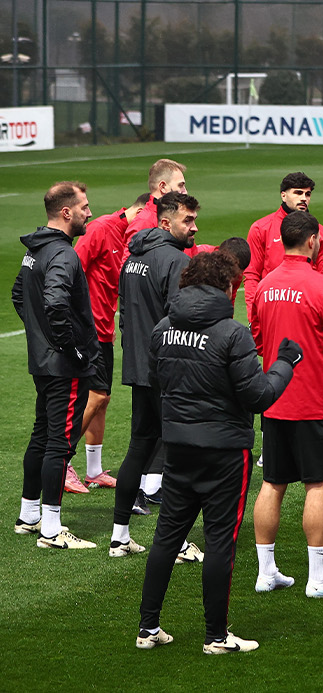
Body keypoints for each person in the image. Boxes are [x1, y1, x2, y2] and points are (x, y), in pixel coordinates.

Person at [136, 250, 301, 654]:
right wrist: (284, 363)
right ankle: (216, 636)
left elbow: (159, 380)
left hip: (177, 446)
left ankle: (147, 628)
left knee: (166, 539)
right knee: (220, 542)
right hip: (225, 451)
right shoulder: (232, 332)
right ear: (228, 286)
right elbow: (259, 395)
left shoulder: (163, 327)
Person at [250, 211, 323, 598]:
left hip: (274, 398)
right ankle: (317, 578)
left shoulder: (264, 285)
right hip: (315, 400)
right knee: (319, 485)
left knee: (272, 483)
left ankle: (266, 572)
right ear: (313, 241)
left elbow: (259, 339)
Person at [111, 191, 204, 561]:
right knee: (178, 456)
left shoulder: (133, 257)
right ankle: (177, 543)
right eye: (188, 221)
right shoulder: (176, 261)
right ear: (166, 222)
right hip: (166, 372)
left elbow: (125, 315)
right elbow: (178, 319)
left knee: (140, 446)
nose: (194, 227)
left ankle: (119, 537)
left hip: (138, 366)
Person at [11, 181, 99, 549]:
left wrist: (39, 336)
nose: (89, 213)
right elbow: (55, 304)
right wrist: (72, 349)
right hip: (63, 365)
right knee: (58, 444)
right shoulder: (63, 254)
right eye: (84, 207)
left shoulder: (36, 249)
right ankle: (51, 529)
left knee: (41, 434)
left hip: (42, 361)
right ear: (66, 212)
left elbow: (19, 295)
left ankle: (28, 515)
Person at [70, 192, 150, 492]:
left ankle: (93, 470)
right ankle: (63, 461)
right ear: (141, 211)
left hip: (104, 330)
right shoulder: (102, 229)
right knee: (96, 397)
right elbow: (72, 270)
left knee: (102, 402)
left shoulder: (128, 237)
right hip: (87, 330)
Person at [244, 172, 323, 346]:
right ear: (283, 195)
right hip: (273, 309)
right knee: (274, 365)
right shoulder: (261, 228)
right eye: (298, 193)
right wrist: (253, 316)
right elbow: (251, 275)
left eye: (307, 194)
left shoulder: (321, 233)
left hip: (307, 311)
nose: (304, 198)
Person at [125, 159, 187, 241]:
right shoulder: (143, 223)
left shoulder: (179, 218)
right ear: (163, 187)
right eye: (180, 185)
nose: (185, 192)